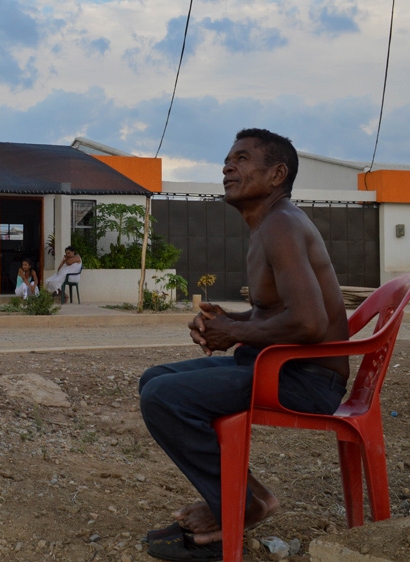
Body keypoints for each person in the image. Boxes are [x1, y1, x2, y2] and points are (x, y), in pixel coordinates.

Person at [138, 128, 350, 561]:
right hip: (282, 366)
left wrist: (233, 334)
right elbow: (278, 314)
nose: (226, 167)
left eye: (242, 158)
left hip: (305, 379)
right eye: (227, 159)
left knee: (164, 398)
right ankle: (245, 500)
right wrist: (229, 321)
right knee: (154, 380)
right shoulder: (270, 225)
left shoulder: (282, 226)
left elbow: (309, 323)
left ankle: (235, 509)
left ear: (276, 174)